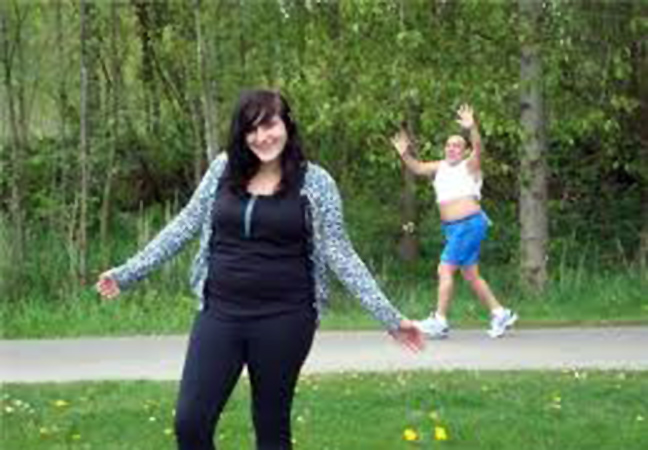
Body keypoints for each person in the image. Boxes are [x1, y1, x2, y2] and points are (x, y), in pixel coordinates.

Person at [96, 89, 424, 450]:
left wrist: (390, 317)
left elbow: (341, 254)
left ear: (287, 125)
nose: (261, 137)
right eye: (251, 129)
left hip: (285, 318)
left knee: (271, 427)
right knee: (190, 423)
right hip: (219, 312)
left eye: (269, 125)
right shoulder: (223, 170)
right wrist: (128, 272)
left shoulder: (316, 183)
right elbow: (185, 225)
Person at [390, 104, 517, 339]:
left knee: (444, 268)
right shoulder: (440, 167)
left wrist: (472, 127)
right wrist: (404, 153)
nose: (451, 148)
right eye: (448, 145)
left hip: (468, 223)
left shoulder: (470, 165)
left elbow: (478, 148)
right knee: (470, 275)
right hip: (455, 228)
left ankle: (439, 320)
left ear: (465, 151)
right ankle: (500, 313)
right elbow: (417, 168)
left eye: (457, 145)